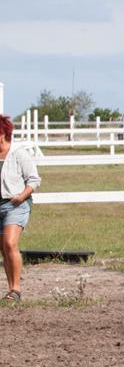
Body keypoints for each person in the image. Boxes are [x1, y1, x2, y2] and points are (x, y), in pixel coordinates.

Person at [0, 114, 41, 303]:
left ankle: (16, 289)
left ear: (2, 134)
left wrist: (21, 196)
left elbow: (34, 179)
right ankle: (11, 289)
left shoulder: (18, 153)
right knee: (4, 249)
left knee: (10, 243)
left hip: (16, 204)